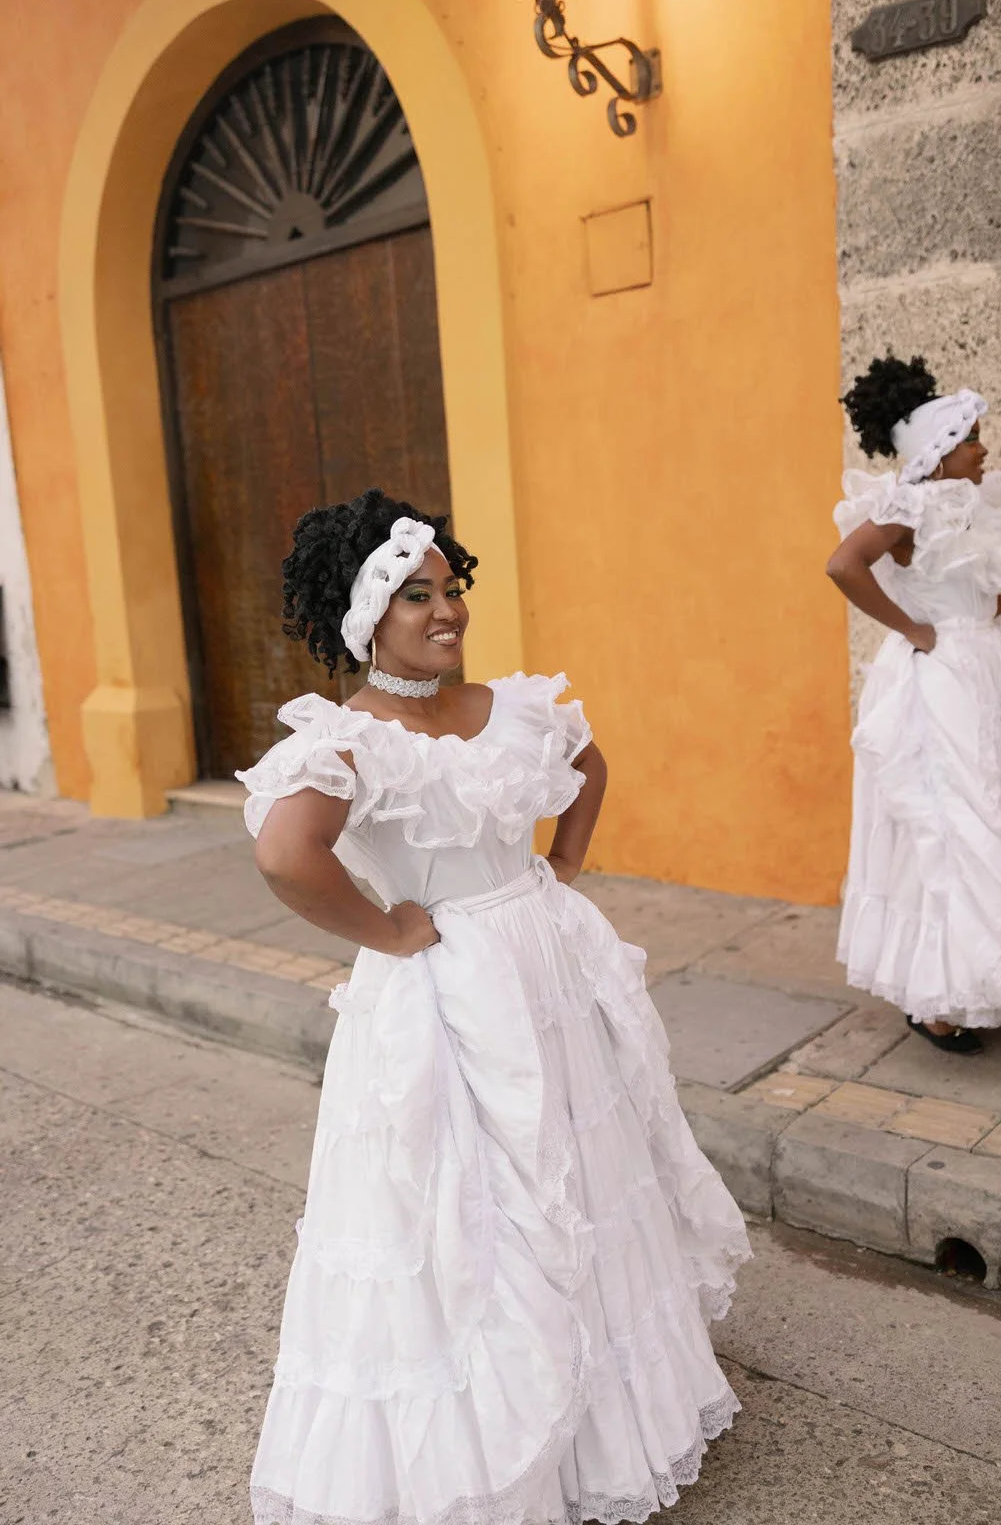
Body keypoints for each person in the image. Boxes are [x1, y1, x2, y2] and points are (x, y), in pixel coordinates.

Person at [237, 489, 751, 1525]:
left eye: (450, 588)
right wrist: (384, 932)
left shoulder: (512, 710)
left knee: (579, 1170)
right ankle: (500, 1443)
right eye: (414, 595)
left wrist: (559, 863)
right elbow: (286, 854)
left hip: (544, 967)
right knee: (473, 1210)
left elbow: (587, 765)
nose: (447, 612)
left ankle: (605, 1413)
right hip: (442, 991)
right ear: (364, 619)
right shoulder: (354, 740)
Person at [828, 355, 1001, 1054]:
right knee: (952, 823)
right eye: (968, 438)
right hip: (941, 679)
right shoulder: (907, 505)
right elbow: (842, 564)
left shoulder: (974, 504)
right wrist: (910, 629)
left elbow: (989, 597)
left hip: (987, 670)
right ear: (935, 453)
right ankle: (938, 995)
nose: (982, 447)